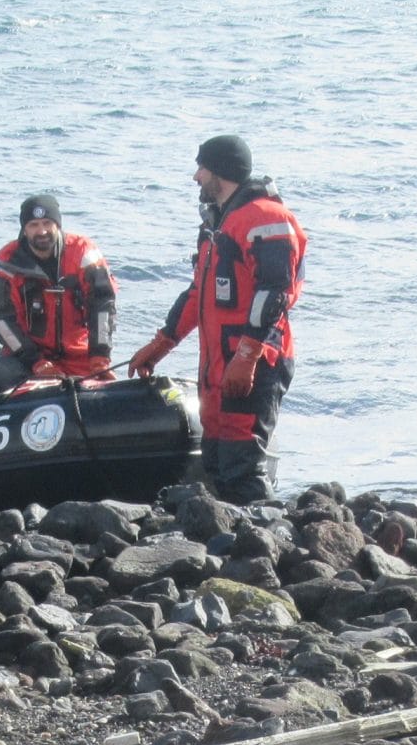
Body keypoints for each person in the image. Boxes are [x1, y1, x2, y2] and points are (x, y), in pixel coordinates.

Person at [125, 135, 306, 505]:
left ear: (220, 172)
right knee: (217, 462)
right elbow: (197, 296)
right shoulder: (218, 225)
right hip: (220, 364)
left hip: (253, 362)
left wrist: (247, 356)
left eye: (201, 168)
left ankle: (268, 542)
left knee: (242, 465)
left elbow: (275, 293)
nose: (196, 177)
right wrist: (160, 345)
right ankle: (231, 543)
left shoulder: (265, 218)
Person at [0, 193, 117, 396]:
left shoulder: (83, 254)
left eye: (47, 223)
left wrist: (99, 359)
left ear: (58, 225)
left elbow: (103, 306)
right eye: (33, 225)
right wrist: (36, 362)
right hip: (27, 359)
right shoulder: (5, 263)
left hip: (80, 358)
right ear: (24, 229)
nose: (41, 231)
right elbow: (1, 320)